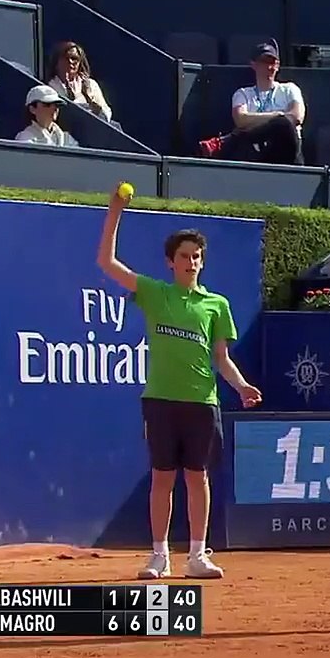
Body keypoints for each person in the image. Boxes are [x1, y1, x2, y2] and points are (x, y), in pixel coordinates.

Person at [95, 183, 263, 580]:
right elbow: (107, 262)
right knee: (162, 478)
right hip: (161, 400)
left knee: (197, 477)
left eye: (197, 257)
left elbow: (221, 358)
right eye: (184, 256)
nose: (191, 262)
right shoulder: (155, 293)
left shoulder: (215, 305)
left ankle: (198, 556)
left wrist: (240, 386)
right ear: (171, 262)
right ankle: (159, 556)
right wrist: (116, 210)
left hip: (202, 401)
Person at [199, 40, 304, 164]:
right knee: (280, 121)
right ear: (253, 64)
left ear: (278, 65)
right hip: (254, 151)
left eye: (273, 62)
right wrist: (277, 115)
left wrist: (256, 122)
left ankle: (225, 142)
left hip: (285, 150)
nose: (269, 67)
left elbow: (296, 117)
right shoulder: (243, 93)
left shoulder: (290, 89)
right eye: (264, 62)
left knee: (285, 125)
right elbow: (240, 119)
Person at [47, 41, 113, 123]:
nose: (71, 62)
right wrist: (74, 96)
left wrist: (90, 99)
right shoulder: (50, 87)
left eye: (74, 58)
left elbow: (106, 117)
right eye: (66, 58)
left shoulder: (91, 85)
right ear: (56, 62)